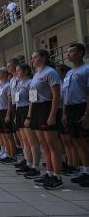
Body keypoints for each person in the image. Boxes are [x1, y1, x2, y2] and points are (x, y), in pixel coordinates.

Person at [27, 49, 62, 189]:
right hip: (37, 109)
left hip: (47, 107)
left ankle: (57, 176)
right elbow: (32, 97)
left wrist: (53, 114)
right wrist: (30, 115)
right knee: (43, 145)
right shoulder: (35, 75)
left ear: (44, 58)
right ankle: (49, 172)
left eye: (35, 57)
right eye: (32, 58)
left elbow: (56, 96)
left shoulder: (50, 72)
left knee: (52, 144)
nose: (33, 60)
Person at [62, 43, 89, 187]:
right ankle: (85, 171)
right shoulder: (69, 73)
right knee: (76, 141)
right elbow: (66, 94)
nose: (68, 54)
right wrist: (65, 113)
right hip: (70, 108)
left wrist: (86, 114)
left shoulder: (87, 69)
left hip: (82, 107)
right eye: (68, 52)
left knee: (85, 141)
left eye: (71, 52)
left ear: (80, 53)